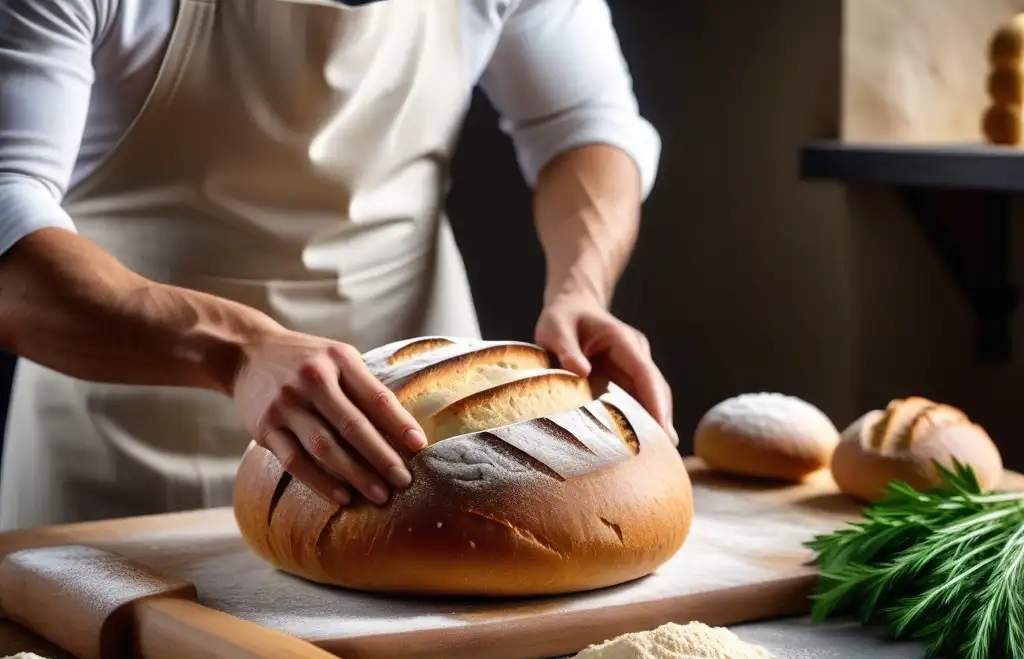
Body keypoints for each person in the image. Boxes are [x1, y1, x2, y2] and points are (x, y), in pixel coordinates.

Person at [0, 0, 676, 531]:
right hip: (125, 444)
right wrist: (238, 351)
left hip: (420, 448)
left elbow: (584, 123)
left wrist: (580, 288)